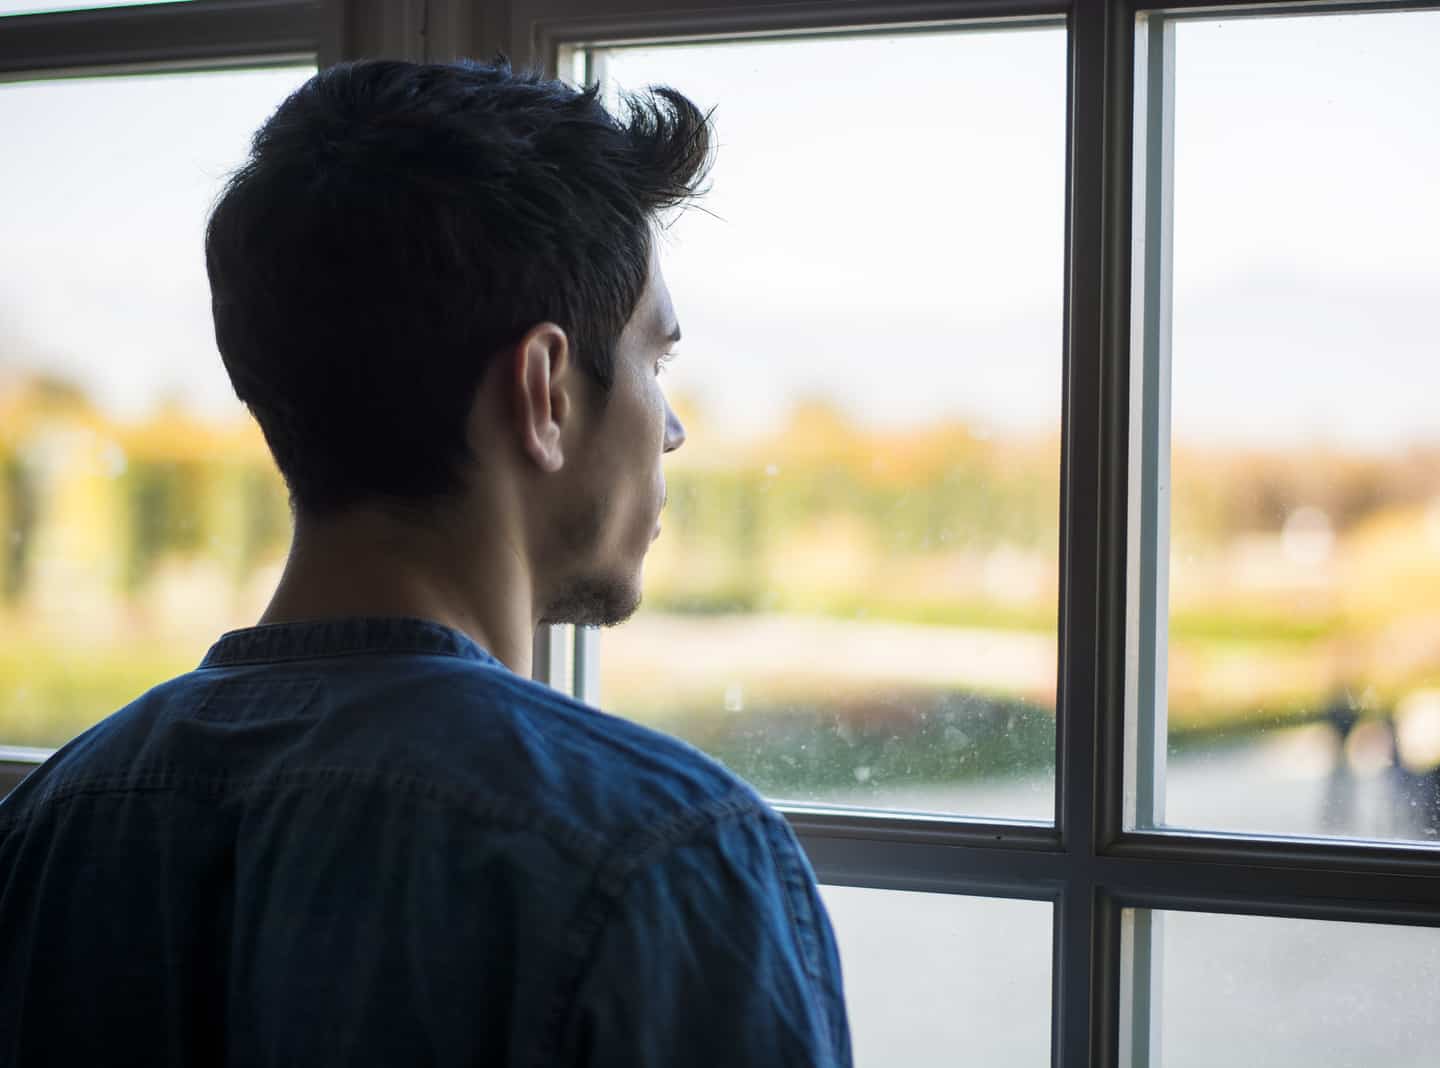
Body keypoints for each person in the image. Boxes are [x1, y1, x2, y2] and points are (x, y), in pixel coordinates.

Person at [0, 59, 852, 1066]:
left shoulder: (49, 825)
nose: (668, 429)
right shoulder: (663, 853)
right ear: (543, 391)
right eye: (653, 363)